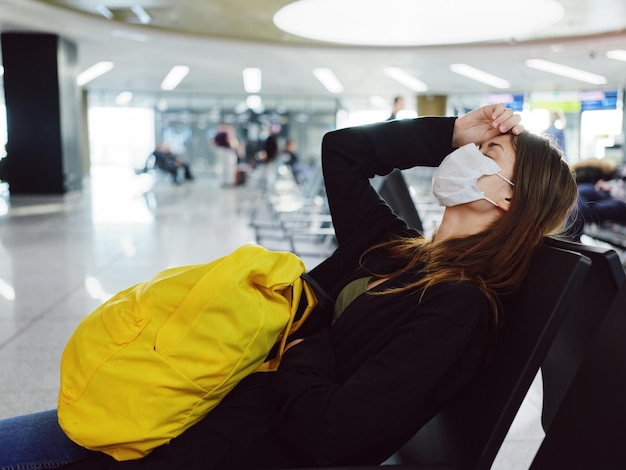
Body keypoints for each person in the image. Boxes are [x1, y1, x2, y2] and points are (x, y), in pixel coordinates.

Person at [0, 104, 578, 470]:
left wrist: (301, 349)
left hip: (221, 448)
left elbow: (334, 433)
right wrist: (447, 131)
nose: (464, 155)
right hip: (195, 406)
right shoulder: (390, 247)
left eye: (487, 151)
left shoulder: (461, 309)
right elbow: (342, 152)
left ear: (507, 198)